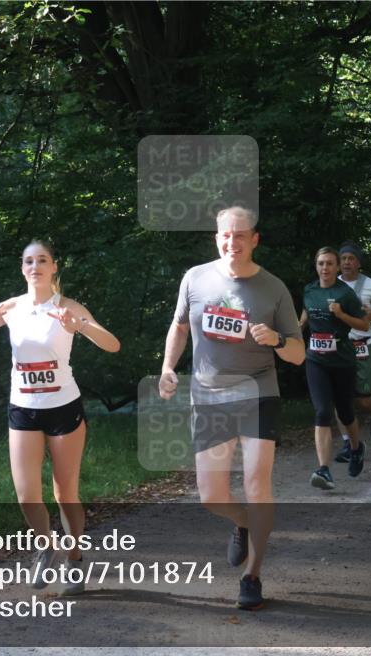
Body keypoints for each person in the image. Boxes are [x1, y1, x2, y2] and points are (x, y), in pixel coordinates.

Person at [0, 239, 120, 595]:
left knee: (64, 494)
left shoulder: (68, 307)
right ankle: (45, 545)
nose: (35, 266)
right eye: (29, 261)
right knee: (26, 495)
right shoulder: (11, 308)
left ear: (54, 267)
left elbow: (112, 344)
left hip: (63, 408)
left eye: (43, 260)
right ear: (22, 268)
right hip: (23, 408)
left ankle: (74, 560)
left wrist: (80, 325)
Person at [159, 206, 304, 611]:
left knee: (257, 483)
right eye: (226, 234)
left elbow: (298, 354)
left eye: (241, 235)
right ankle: (241, 522)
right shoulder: (195, 278)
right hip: (209, 396)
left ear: (255, 239)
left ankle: (252, 576)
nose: (232, 242)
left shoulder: (273, 288)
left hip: (259, 392)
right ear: (216, 236)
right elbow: (180, 325)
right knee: (211, 495)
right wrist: (168, 367)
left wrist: (275, 339)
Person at [299, 247, 371, 491]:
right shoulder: (309, 290)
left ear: (337, 267)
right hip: (315, 360)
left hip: (342, 361)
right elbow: (306, 313)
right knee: (321, 412)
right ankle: (323, 469)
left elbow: (363, 323)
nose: (325, 268)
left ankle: (356, 448)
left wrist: (341, 315)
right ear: (316, 266)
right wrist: (296, 329)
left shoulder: (345, 293)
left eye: (330, 264)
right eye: (321, 264)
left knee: (345, 412)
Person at [328, 241, 371, 466]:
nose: (346, 262)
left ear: (358, 263)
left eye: (351, 259)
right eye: (343, 258)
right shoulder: (329, 284)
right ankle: (348, 443)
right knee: (339, 398)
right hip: (337, 346)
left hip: (362, 345)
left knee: (363, 399)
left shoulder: (370, 285)